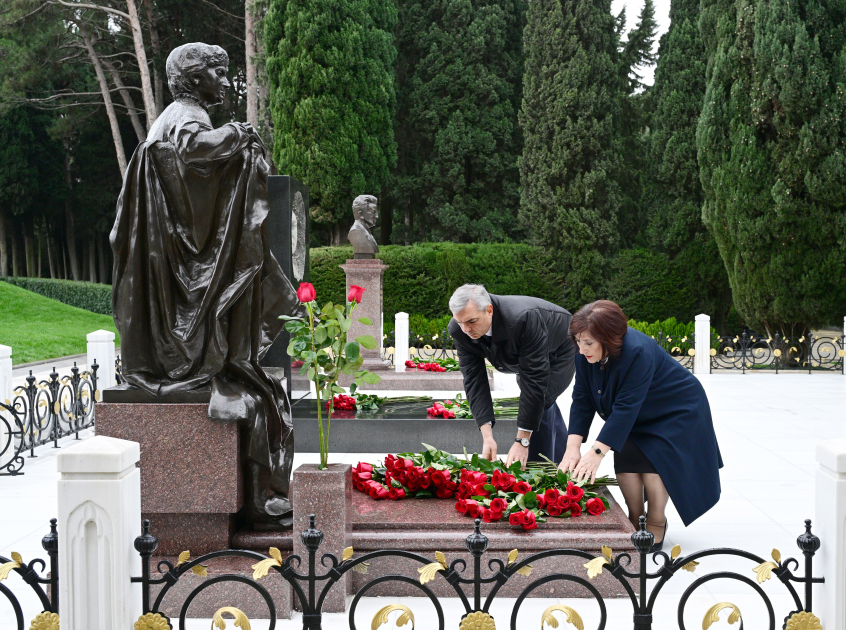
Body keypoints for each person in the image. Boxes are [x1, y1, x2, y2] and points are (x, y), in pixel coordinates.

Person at [111, 43, 304, 527]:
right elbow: (196, 152)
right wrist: (240, 136)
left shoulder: (176, 116)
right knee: (255, 390)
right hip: (181, 278)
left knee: (256, 388)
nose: (225, 80)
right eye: (218, 72)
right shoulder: (185, 117)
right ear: (194, 78)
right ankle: (262, 499)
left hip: (173, 273)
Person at [560, 300, 723, 551]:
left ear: (610, 337)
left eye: (588, 343)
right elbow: (582, 398)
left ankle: (656, 519)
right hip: (638, 410)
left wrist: (596, 453)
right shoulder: (583, 352)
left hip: (675, 408)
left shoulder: (638, 351)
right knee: (626, 457)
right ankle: (635, 517)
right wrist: (573, 447)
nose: (582, 349)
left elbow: (626, 407)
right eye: (578, 341)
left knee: (655, 461)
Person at [448, 284, 576, 469]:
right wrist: (487, 437)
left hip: (559, 348)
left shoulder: (522, 318)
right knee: (540, 405)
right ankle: (564, 459)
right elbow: (474, 380)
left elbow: (534, 379)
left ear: (489, 310)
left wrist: (522, 442)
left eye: (471, 321)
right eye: (460, 322)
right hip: (528, 352)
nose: (466, 329)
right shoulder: (459, 330)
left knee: (543, 400)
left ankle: (540, 470)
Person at [347, 195, 379, 259]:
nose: (377, 216)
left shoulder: (366, 231)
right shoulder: (355, 232)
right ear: (360, 214)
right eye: (373, 212)